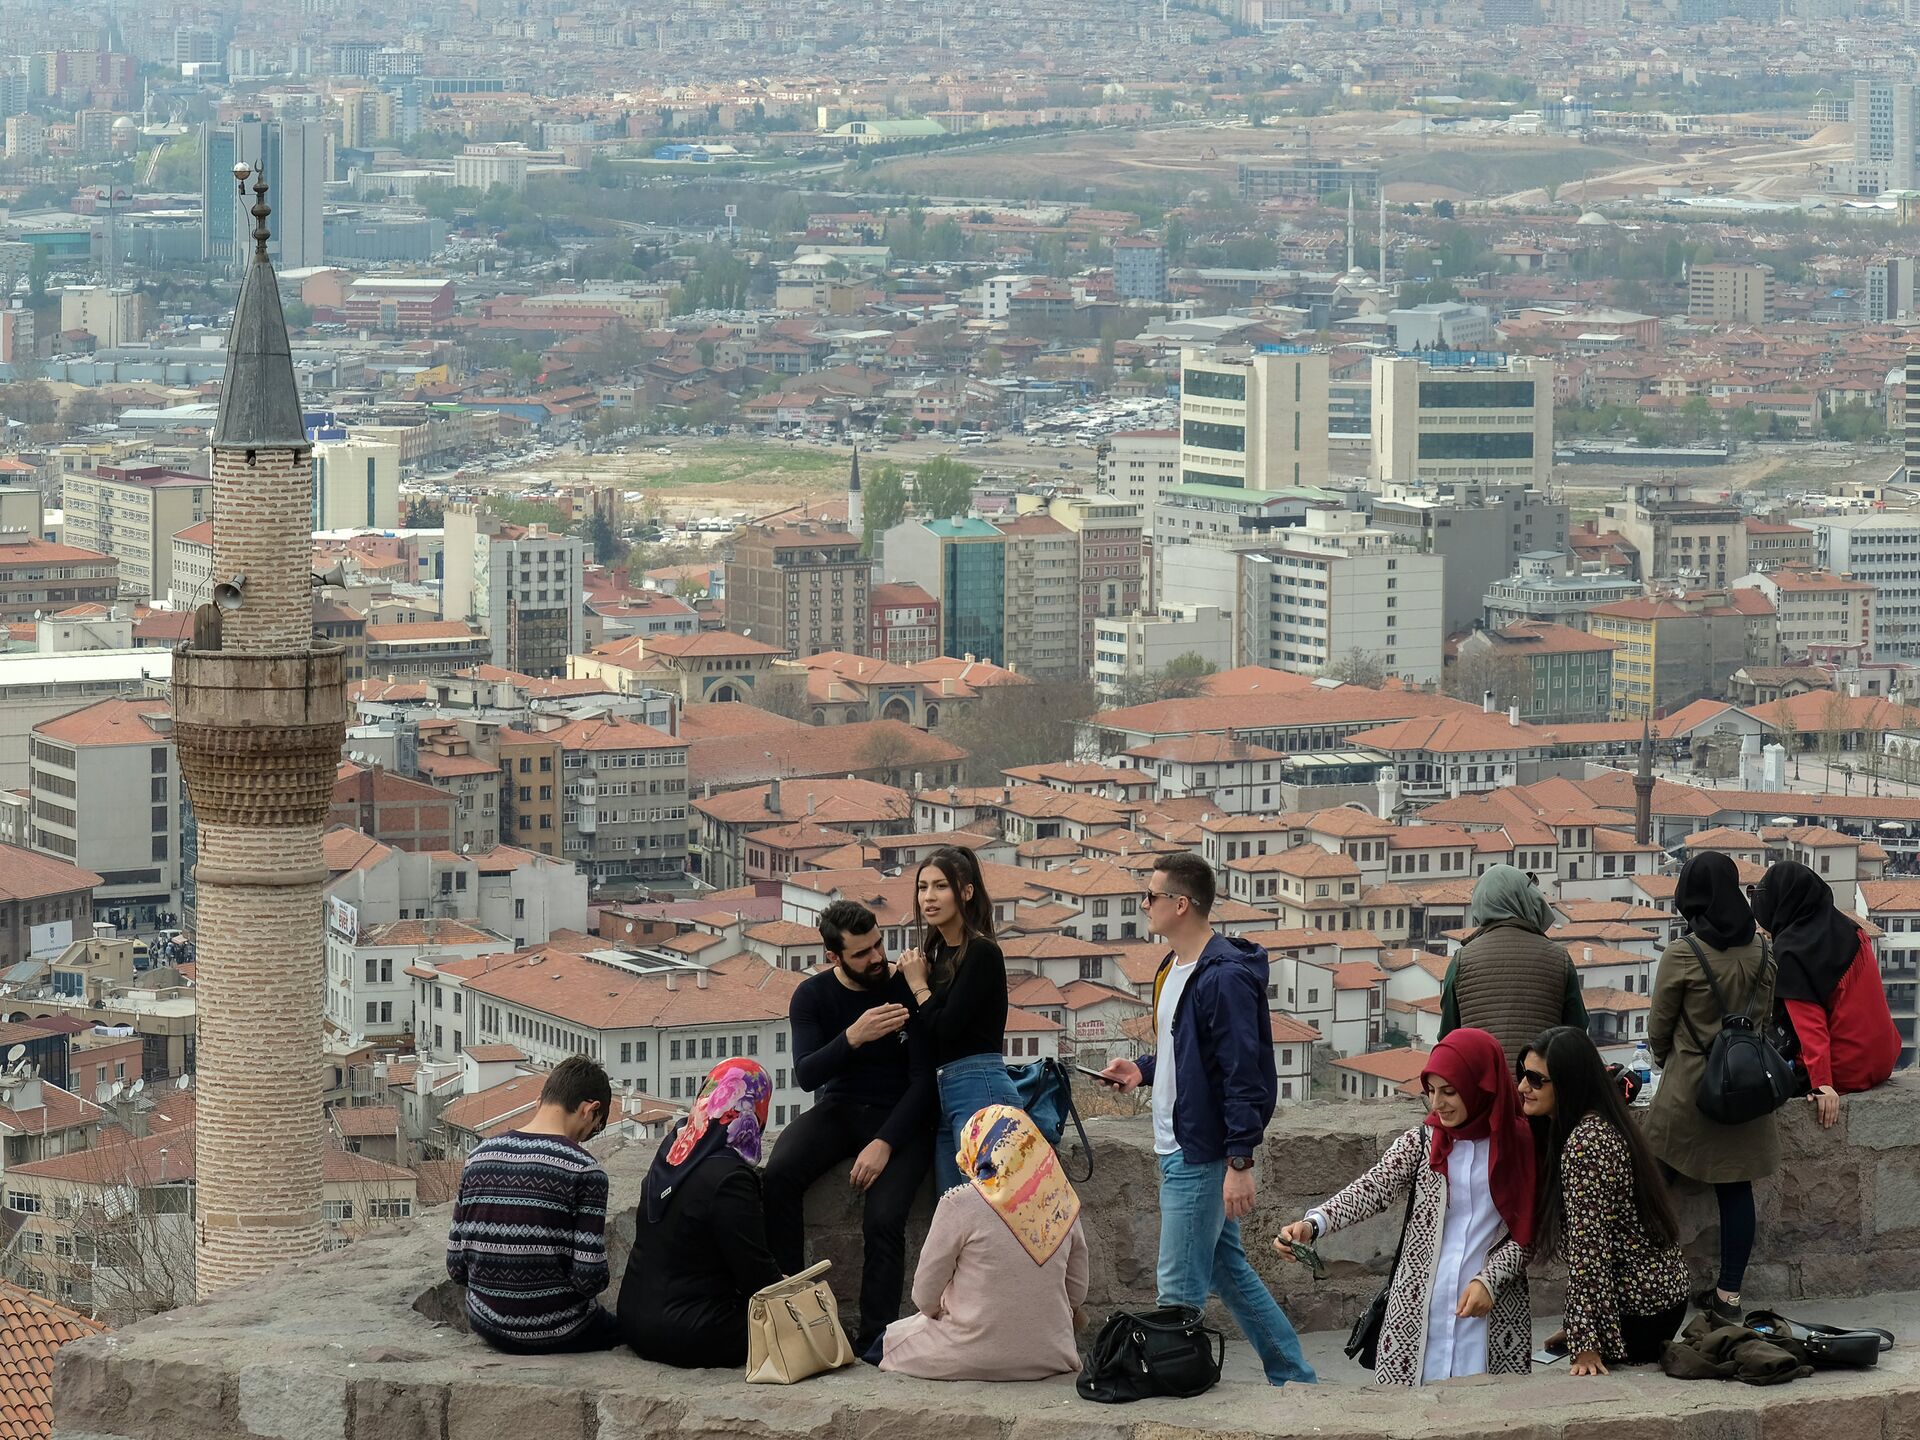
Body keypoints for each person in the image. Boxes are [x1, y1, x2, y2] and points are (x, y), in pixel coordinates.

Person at [1100, 851, 1315, 1388]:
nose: (1142, 904)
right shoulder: (1172, 968)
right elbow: (1189, 1055)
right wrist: (1143, 1071)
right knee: (1228, 1270)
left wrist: (1239, 1160)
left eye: (1150, 896)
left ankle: (1180, 1395)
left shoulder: (1224, 977)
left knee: (1176, 1292)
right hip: (1181, 1146)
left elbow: (1245, 1076)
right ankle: (1294, 1376)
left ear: (1180, 904)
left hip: (1200, 1152)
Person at [1277, 1028, 1535, 1387]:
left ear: (1481, 1086)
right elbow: (1372, 1188)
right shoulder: (1423, 1141)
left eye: (1449, 1091)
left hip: (1489, 1308)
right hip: (1417, 1306)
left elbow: (1528, 1232)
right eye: (1431, 1091)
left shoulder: (1520, 1144)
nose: (1437, 1104)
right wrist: (1314, 1223)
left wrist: (1489, 1280)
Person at [764, 899, 935, 1355]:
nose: (877, 957)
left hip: (904, 1116)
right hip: (841, 1107)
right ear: (834, 957)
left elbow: (924, 1082)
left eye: (879, 943)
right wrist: (853, 1037)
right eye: (862, 953)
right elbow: (807, 1075)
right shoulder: (812, 996)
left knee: (882, 1217)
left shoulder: (904, 987)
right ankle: (790, 1315)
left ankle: (875, 1337)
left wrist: (885, 1141)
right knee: (777, 1176)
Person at [1643, 851, 1776, 1328]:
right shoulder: (1764, 949)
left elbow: (1659, 1028)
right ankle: (1729, 1297)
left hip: (1689, 1087)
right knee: (1736, 1191)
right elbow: (1765, 1019)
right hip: (1744, 1090)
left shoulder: (1684, 954)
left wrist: (1668, 1059)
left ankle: (1645, 1287)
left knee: (1654, 1188)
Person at [1519, 1026, 1690, 1377]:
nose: (1523, 1087)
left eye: (1536, 1080)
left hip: (1643, 1313)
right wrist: (1578, 1326)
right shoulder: (1595, 1122)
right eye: (1523, 1075)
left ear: (1568, 1084)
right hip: (1658, 1298)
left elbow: (1590, 1250)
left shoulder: (1586, 1143)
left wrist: (1585, 1343)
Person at [878, 1104, 1089, 1380]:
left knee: (888, 1341)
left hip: (966, 1353)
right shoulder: (1062, 1202)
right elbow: (1076, 1293)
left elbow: (924, 1297)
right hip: (1052, 1355)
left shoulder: (959, 1203)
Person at [446, 1056, 618, 1353]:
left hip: (486, 1323)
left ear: (540, 1101)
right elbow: (588, 1278)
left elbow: (456, 1267)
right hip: (560, 1329)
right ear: (591, 1110)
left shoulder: (478, 1156)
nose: (588, 1138)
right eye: (595, 1129)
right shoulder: (585, 1170)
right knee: (629, 1330)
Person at [620, 1058, 783, 1368]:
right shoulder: (729, 1178)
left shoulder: (675, 1147)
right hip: (687, 1332)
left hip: (633, 1318)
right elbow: (757, 1277)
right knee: (789, 1330)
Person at [897, 847, 1021, 1194]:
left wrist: (918, 985)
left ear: (966, 892)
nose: (928, 897)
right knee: (954, 1210)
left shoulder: (982, 952)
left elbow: (948, 1027)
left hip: (979, 1084)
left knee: (987, 1210)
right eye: (922, 887)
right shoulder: (939, 954)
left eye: (940, 886)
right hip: (946, 1091)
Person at [1751, 860, 1900, 1126]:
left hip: (1846, 1069)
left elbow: (1810, 1026)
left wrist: (1822, 1083)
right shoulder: (1853, 930)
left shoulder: (1792, 951)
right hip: (1884, 1058)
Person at [1439, 864, 1587, 1067]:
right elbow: (1577, 1033)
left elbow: (1448, 1038)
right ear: (1524, 899)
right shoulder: (1559, 958)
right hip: (1542, 1090)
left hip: (1483, 1092)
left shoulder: (1461, 960)